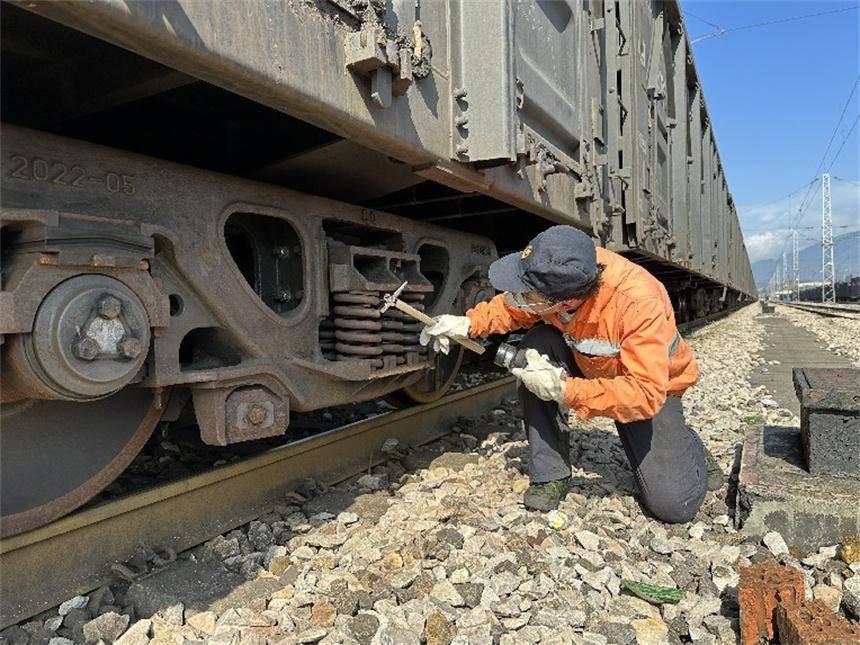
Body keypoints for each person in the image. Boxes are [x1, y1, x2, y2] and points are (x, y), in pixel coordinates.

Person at [420, 225, 720, 522]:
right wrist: (467, 325)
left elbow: (645, 393)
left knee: (673, 505)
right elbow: (514, 307)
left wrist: (564, 390)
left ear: (563, 301)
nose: (518, 296)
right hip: (590, 363)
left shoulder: (637, 301)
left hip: (649, 387)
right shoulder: (563, 272)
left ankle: (685, 442)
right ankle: (551, 474)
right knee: (536, 347)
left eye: (528, 293)